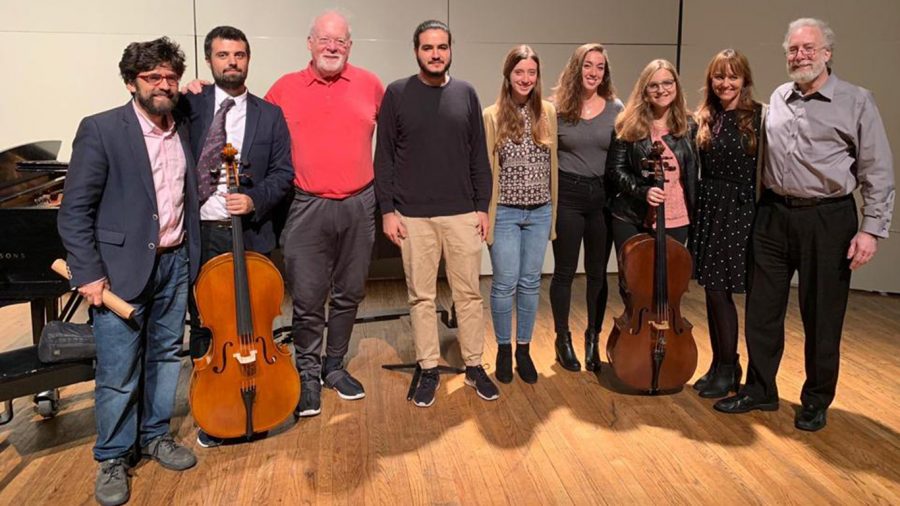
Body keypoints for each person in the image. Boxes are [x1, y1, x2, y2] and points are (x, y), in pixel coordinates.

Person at [715, 18, 894, 432]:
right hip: (774, 215)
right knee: (762, 310)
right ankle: (760, 389)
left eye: (809, 48)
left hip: (828, 218)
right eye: (793, 49)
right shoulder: (778, 97)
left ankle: (816, 399)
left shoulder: (857, 101)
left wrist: (871, 230)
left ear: (827, 53)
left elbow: (878, 172)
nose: (800, 56)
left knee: (822, 315)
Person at [57, 37, 200, 506]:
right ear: (130, 82)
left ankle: (155, 435)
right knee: (118, 370)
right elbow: (74, 211)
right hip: (119, 271)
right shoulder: (101, 129)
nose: (164, 85)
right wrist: (89, 273)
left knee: (163, 357)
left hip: (175, 262)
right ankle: (114, 456)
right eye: (153, 77)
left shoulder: (183, 126)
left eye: (171, 78)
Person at [265, 10, 384, 417]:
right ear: (310, 43)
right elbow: (250, 128)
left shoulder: (370, 84)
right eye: (325, 40)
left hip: (359, 202)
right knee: (309, 297)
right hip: (306, 205)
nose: (332, 47)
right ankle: (307, 372)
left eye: (341, 41)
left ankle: (334, 366)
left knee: (350, 292)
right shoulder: (283, 88)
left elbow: (398, 138)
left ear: (349, 46)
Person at [374, 19, 498, 407]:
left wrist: (482, 207)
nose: (435, 54)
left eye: (441, 47)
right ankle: (428, 367)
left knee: (469, 295)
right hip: (413, 215)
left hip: (462, 213)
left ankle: (475, 365)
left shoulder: (466, 93)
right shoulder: (397, 93)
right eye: (428, 48)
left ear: (450, 50)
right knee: (421, 297)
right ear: (416, 51)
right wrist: (388, 211)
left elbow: (479, 154)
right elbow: (385, 158)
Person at [182, 26, 294, 446]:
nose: (232, 62)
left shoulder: (270, 114)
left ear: (248, 59)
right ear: (209, 60)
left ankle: (261, 400)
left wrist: (253, 200)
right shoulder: (188, 106)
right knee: (207, 326)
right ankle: (212, 411)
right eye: (223, 55)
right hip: (201, 233)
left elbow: (284, 173)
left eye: (240, 55)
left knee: (254, 324)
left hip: (249, 234)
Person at [689, 49, 764, 399]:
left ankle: (729, 367)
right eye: (719, 76)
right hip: (710, 206)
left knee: (723, 291)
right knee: (712, 290)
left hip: (740, 210)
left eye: (732, 76)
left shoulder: (758, 117)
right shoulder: (705, 117)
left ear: (744, 80)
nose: (725, 83)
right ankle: (722, 363)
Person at [482, 45, 558, 384]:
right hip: (506, 214)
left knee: (530, 284)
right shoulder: (493, 115)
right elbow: (485, 169)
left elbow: (552, 166)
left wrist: (552, 213)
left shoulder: (548, 113)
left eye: (531, 72)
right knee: (504, 283)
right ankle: (502, 348)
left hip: (540, 211)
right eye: (519, 72)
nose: (525, 79)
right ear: (508, 75)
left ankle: (523, 349)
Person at [548, 43, 623, 373]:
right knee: (563, 272)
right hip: (568, 194)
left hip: (602, 198)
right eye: (587, 66)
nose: (593, 72)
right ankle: (562, 339)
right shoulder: (557, 108)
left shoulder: (615, 108)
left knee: (597, 274)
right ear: (575, 69)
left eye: (600, 67)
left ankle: (593, 337)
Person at [607, 59, 698, 253]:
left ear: (676, 86)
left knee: (669, 279)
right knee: (633, 281)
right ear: (645, 91)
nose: (662, 90)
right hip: (632, 214)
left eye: (667, 83)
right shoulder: (627, 125)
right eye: (654, 85)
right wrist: (643, 191)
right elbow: (615, 170)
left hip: (677, 215)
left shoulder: (689, 126)